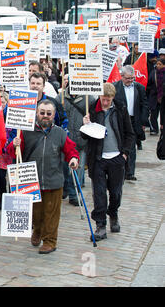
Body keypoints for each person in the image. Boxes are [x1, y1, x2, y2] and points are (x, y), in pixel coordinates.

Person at [8, 100, 79, 254]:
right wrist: (14, 144)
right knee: (36, 214)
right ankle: (37, 230)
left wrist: (73, 159)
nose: (45, 116)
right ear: (36, 113)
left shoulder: (60, 133)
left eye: (48, 113)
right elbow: (11, 153)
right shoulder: (25, 131)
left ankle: (50, 241)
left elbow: (71, 150)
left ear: (54, 115)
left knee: (52, 214)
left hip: (54, 180)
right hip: (31, 180)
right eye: (42, 113)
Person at [82, 83, 135, 241]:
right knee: (99, 193)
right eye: (103, 99)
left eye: (108, 100)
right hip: (98, 158)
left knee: (116, 192)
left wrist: (124, 153)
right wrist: (85, 126)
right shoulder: (91, 109)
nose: (105, 103)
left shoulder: (119, 109)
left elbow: (129, 133)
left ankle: (113, 213)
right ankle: (100, 224)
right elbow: (85, 137)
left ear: (112, 98)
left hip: (116, 157)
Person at [58, 80, 95, 206]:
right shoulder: (60, 97)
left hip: (81, 140)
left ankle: (74, 195)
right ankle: (65, 188)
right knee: (63, 168)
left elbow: (96, 116)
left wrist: (89, 122)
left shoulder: (89, 99)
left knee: (78, 169)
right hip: (64, 140)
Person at [114, 65, 148, 181]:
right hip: (120, 120)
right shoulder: (115, 87)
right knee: (120, 145)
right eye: (128, 78)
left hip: (133, 120)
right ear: (122, 76)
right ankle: (120, 170)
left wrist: (143, 120)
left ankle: (130, 172)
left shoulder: (139, 88)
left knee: (131, 146)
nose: (130, 80)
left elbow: (144, 104)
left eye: (132, 78)